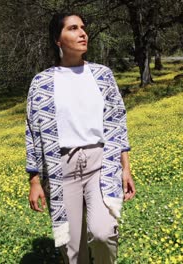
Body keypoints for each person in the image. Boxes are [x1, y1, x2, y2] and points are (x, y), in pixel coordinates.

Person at [25, 12, 136, 264]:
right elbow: (31, 132)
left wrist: (125, 168)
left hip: (101, 163)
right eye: (73, 28)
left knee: (103, 233)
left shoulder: (102, 75)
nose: (82, 33)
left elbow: (118, 121)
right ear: (58, 39)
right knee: (71, 247)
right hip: (60, 169)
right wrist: (34, 180)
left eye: (83, 28)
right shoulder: (42, 82)